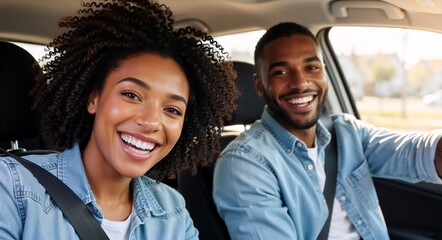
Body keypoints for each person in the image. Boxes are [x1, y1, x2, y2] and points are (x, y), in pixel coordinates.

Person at [0, 0, 239, 239]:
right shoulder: (12, 186)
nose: (151, 122)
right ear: (93, 98)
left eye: (173, 110)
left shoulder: (172, 209)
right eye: (131, 95)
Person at [212, 22, 442, 240]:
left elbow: (413, 152)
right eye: (281, 72)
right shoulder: (244, 164)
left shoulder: (346, 132)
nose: (300, 83)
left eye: (311, 67)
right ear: (259, 85)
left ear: (324, 74)